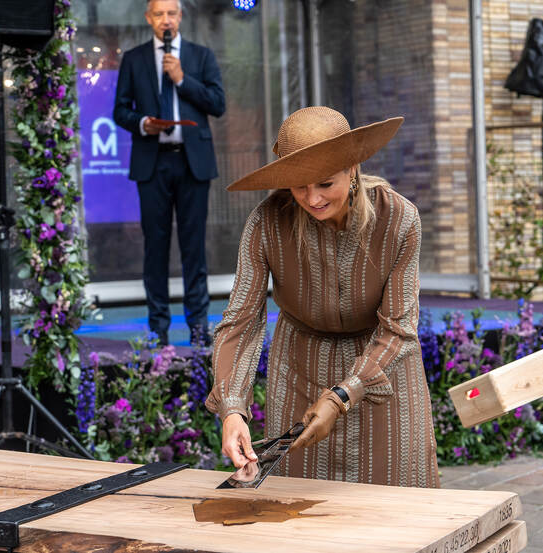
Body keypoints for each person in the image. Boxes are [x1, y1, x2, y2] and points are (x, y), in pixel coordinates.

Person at [205, 106, 440, 488]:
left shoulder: (400, 220)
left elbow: (399, 328)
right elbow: (241, 320)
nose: (312, 198)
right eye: (300, 186)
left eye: (325, 184)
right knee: (297, 508)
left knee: (396, 511)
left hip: (383, 377)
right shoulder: (267, 222)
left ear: (353, 170)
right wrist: (232, 409)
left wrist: (342, 396)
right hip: (299, 370)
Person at [113, 0, 225, 345]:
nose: (166, 19)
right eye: (159, 13)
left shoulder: (201, 55)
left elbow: (218, 104)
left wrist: (181, 79)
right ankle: (158, 329)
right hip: (153, 161)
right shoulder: (134, 59)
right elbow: (120, 110)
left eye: (171, 13)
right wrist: (142, 123)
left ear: (180, 17)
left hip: (192, 162)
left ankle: (198, 328)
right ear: (149, 19)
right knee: (155, 248)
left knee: (194, 248)